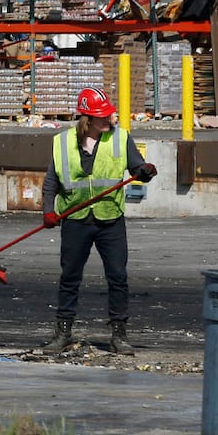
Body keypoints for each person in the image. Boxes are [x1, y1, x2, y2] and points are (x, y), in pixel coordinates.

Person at [37, 86, 157, 356]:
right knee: (69, 277)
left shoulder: (120, 138)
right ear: (86, 119)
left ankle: (118, 335)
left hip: (110, 218)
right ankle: (63, 333)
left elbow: (137, 167)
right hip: (75, 218)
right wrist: (48, 211)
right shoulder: (62, 142)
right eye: (103, 116)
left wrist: (145, 172)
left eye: (110, 115)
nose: (110, 120)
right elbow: (51, 181)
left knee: (117, 277)